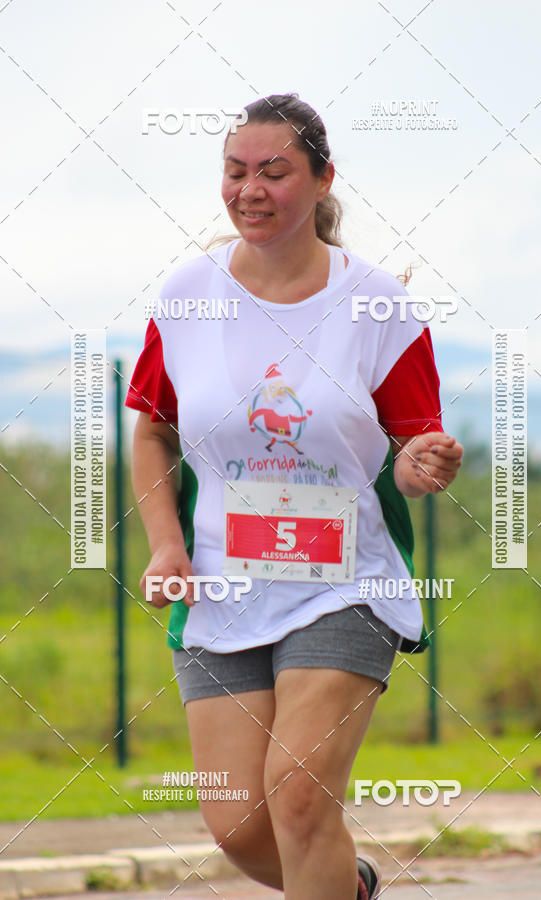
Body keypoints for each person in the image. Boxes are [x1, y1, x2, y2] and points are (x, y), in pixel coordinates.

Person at [125, 92, 463, 900]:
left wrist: (423, 465)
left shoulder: (377, 304)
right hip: (221, 585)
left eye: (274, 172)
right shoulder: (188, 295)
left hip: (345, 582)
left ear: (322, 180)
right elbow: (152, 432)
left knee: (299, 795)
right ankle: (352, 887)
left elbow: (413, 451)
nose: (250, 190)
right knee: (239, 826)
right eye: (235, 171)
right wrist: (166, 544)